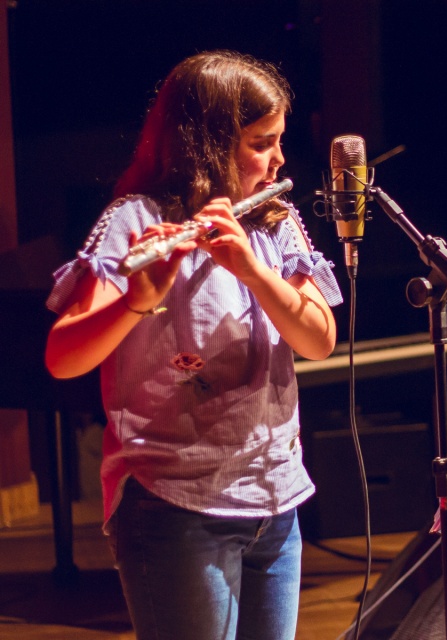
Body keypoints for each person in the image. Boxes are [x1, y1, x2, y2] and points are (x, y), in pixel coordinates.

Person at [44, 51, 342, 640]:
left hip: (273, 496)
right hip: (173, 502)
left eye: (279, 140)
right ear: (205, 142)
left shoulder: (274, 221)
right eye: (261, 142)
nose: (279, 158)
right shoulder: (134, 220)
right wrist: (137, 296)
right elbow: (62, 358)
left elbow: (319, 341)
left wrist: (256, 272)